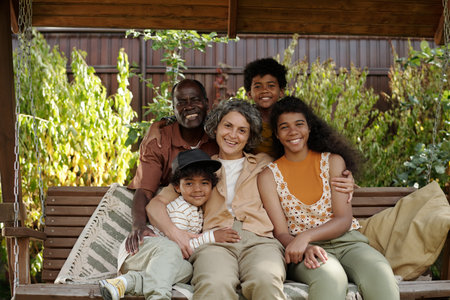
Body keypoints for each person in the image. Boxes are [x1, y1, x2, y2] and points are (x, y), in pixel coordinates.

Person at [258, 96, 399, 300]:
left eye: (299, 124)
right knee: (331, 278)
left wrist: (306, 236)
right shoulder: (268, 176)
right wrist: (303, 245)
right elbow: (280, 231)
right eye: (284, 127)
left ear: (309, 128)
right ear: (277, 135)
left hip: (348, 242)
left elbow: (343, 219)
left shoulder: (332, 162)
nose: (293, 132)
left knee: (380, 272)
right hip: (303, 251)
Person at [147, 100, 287, 300]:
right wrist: (175, 233)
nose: (232, 135)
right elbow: (155, 205)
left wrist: (341, 174)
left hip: (260, 241)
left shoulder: (264, 163)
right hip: (214, 243)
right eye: (228, 126)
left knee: (265, 280)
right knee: (214, 284)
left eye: (242, 130)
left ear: (249, 137)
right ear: (216, 127)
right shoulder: (199, 168)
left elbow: (303, 165)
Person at [100, 149, 240, 300]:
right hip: (142, 251)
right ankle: (158, 297)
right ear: (177, 187)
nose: (197, 189)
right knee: (171, 250)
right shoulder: (181, 207)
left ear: (212, 185)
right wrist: (212, 237)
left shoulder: (196, 210)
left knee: (186, 270)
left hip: (158, 263)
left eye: (204, 183)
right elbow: (181, 246)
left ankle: (126, 282)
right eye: (189, 183)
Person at [125, 79, 218, 255]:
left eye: (195, 100)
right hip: (173, 219)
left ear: (206, 103)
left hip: (211, 223)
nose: (189, 106)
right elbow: (144, 190)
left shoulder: (219, 136)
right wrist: (139, 225)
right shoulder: (159, 141)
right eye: (181, 102)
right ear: (174, 109)